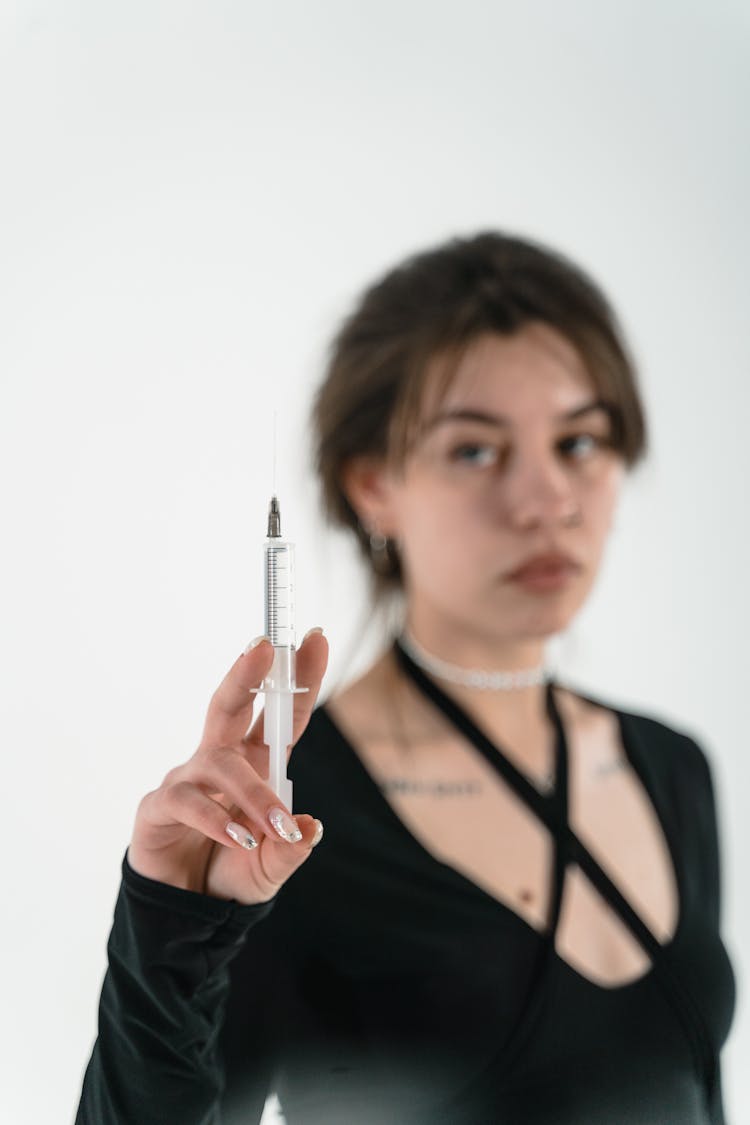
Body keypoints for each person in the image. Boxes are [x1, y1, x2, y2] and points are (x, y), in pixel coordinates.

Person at [76, 231, 735, 1124]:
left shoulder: (671, 766)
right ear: (372, 483)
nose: (548, 500)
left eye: (581, 441)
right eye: (475, 450)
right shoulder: (289, 818)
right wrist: (170, 935)